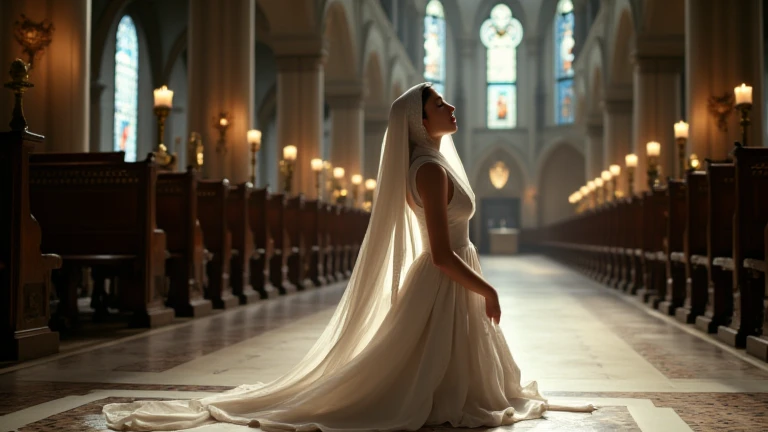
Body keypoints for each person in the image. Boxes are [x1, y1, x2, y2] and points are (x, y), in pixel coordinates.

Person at [103, 83, 596, 431]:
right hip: (444, 280)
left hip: (449, 281)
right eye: (438, 103)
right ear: (420, 122)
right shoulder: (427, 170)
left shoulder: (433, 162)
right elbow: (442, 255)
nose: (449, 106)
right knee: (406, 384)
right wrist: (487, 289)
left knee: (450, 378)